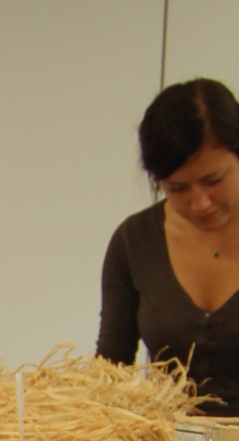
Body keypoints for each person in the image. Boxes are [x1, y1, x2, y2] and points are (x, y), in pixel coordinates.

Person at [98, 77, 239, 413]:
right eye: (178, 188)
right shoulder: (135, 242)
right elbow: (110, 371)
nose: (199, 203)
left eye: (213, 180)